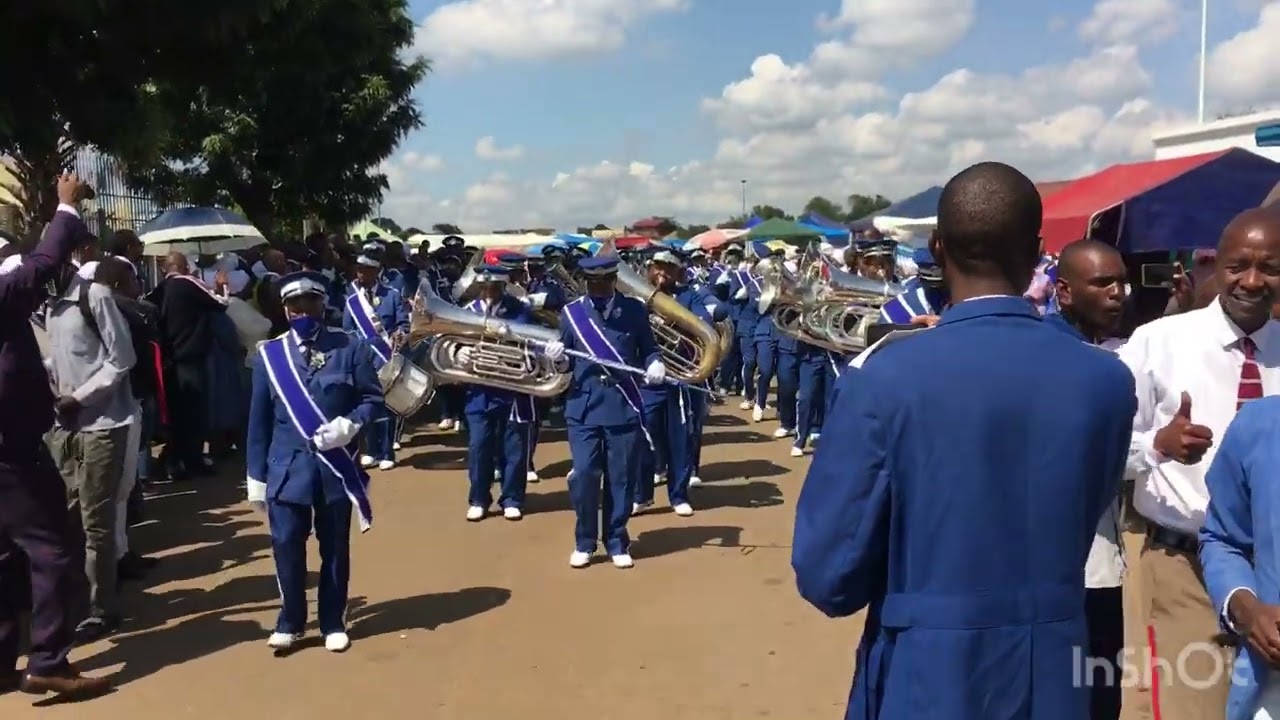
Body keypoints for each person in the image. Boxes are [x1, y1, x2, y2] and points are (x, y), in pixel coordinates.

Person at [792, 162, 1136, 719]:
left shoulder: (883, 379)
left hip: (928, 675)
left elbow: (829, 575)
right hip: (1058, 670)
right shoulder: (1107, 380)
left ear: (936, 247)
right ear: (1038, 251)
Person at [1119, 207, 1280, 719]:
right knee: (1195, 710)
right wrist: (1157, 446)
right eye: (1238, 266)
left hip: (1274, 575)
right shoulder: (1158, 343)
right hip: (1184, 571)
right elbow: (1099, 451)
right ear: (1214, 265)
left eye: (1270, 267)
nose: (1251, 281)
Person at [0, 173, 112, 697]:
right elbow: (41, 266)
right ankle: (48, 659)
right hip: (10, 447)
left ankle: (6, 662)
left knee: (4, 555)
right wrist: (64, 207)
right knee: (54, 548)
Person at [245, 271, 382, 654]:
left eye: (310, 304)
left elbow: (372, 399)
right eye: (295, 306)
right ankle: (290, 618)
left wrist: (351, 424)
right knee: (286, 544)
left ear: (322, 305)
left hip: (335, 468)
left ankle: (332, 619)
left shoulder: (349, 346)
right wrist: (255, 476)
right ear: (285, 309)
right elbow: (258, 421)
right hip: (287, 470)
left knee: (335, 547)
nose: (303, 311)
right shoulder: (269, 356)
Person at [1044, 239, 1130, 720]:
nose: (1118, 293)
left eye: (1121, 282)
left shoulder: (1115, 351)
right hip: (1072, 570)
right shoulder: (1061, 361)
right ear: (1065, 291)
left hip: (1100, 564)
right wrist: (1155, 447)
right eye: (1102, 283)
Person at [545, 257, 663, 569]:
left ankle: (616, 539)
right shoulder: (571, 314)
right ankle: (585, 541)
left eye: (603, 282)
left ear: (613, 280)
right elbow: (566, 361)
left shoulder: (634, 310)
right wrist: (556, 359)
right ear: (585, 281)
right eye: (591, 283)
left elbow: (648, 347)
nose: (597, 288)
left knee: (621, 478)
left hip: (622, 403)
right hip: (583, 406)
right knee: (584, 474)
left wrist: (653, 363)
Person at [634, 249, 722, 515]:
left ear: (677, 273)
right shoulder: (635, 298)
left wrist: (672, 318)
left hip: (680, 377)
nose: (662, 273)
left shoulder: (688, 296)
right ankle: (642, 494)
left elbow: (703, 325)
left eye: (668, 269)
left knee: (680, 439)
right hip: (646, 379)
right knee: (644, 435)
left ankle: (678, 495)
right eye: (657, 267)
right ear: (649, 269)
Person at [453, 264, 537, 521]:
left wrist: (512, 339)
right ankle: (479, 498)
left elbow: (532, 346)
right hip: (479, 392)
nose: (489, 292)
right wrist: (458, 354)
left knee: (513, 447)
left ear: (503, 286)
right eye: (485, 286)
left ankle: (512, 498)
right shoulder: (468, 312)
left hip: (512, 390)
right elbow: (449, 343)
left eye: (494, 287)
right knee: (479, 446)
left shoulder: (520, 311)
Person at [149, 251, 229, 480]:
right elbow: (221, 304)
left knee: (176, 413)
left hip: (168, 360)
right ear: (183, 266)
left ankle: (176, 461)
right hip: (192, 357)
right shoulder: (190, 283)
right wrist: (221, 286)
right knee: (195, 413)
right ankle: (192, 460)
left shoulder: (158, 291)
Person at [341, 251, 409, 470]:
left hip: (386, 356)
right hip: (363, 359)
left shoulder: (392, 295)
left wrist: (400, 333)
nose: (360, 274)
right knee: (366, 404)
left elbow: (403, 323)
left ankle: (387, 451)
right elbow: (347, 329)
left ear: (375, 271)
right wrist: (362, 344)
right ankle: (370, 449)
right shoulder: (352, 301)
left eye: (364, 270)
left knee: (387, 405)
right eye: (358, 269)